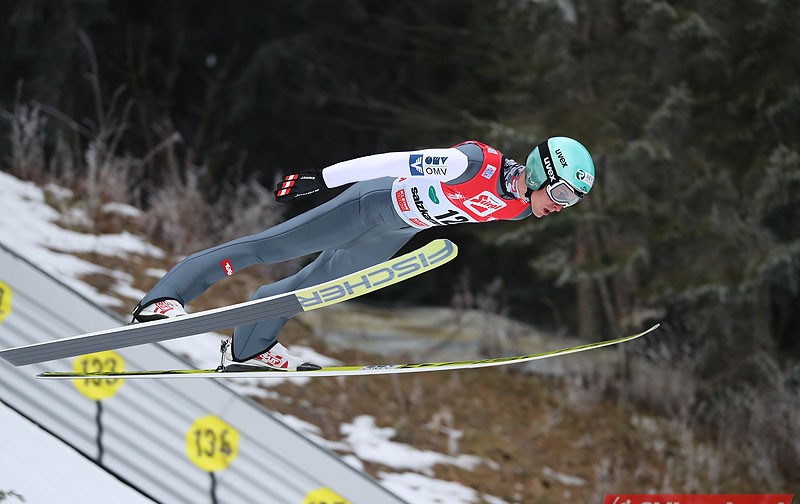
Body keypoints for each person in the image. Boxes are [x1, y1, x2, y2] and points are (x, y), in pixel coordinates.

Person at [131, 137, 595, 371]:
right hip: (370, 203)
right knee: (270, 247)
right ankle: (164, 298)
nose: (560, 206)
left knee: (318, 289)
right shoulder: (470, 164)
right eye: (562, 194)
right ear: (541, 171)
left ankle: (249, 346)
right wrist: (323, 178)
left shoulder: (520, 207)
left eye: (571, 201)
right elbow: (392, 161)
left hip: (399, 230)